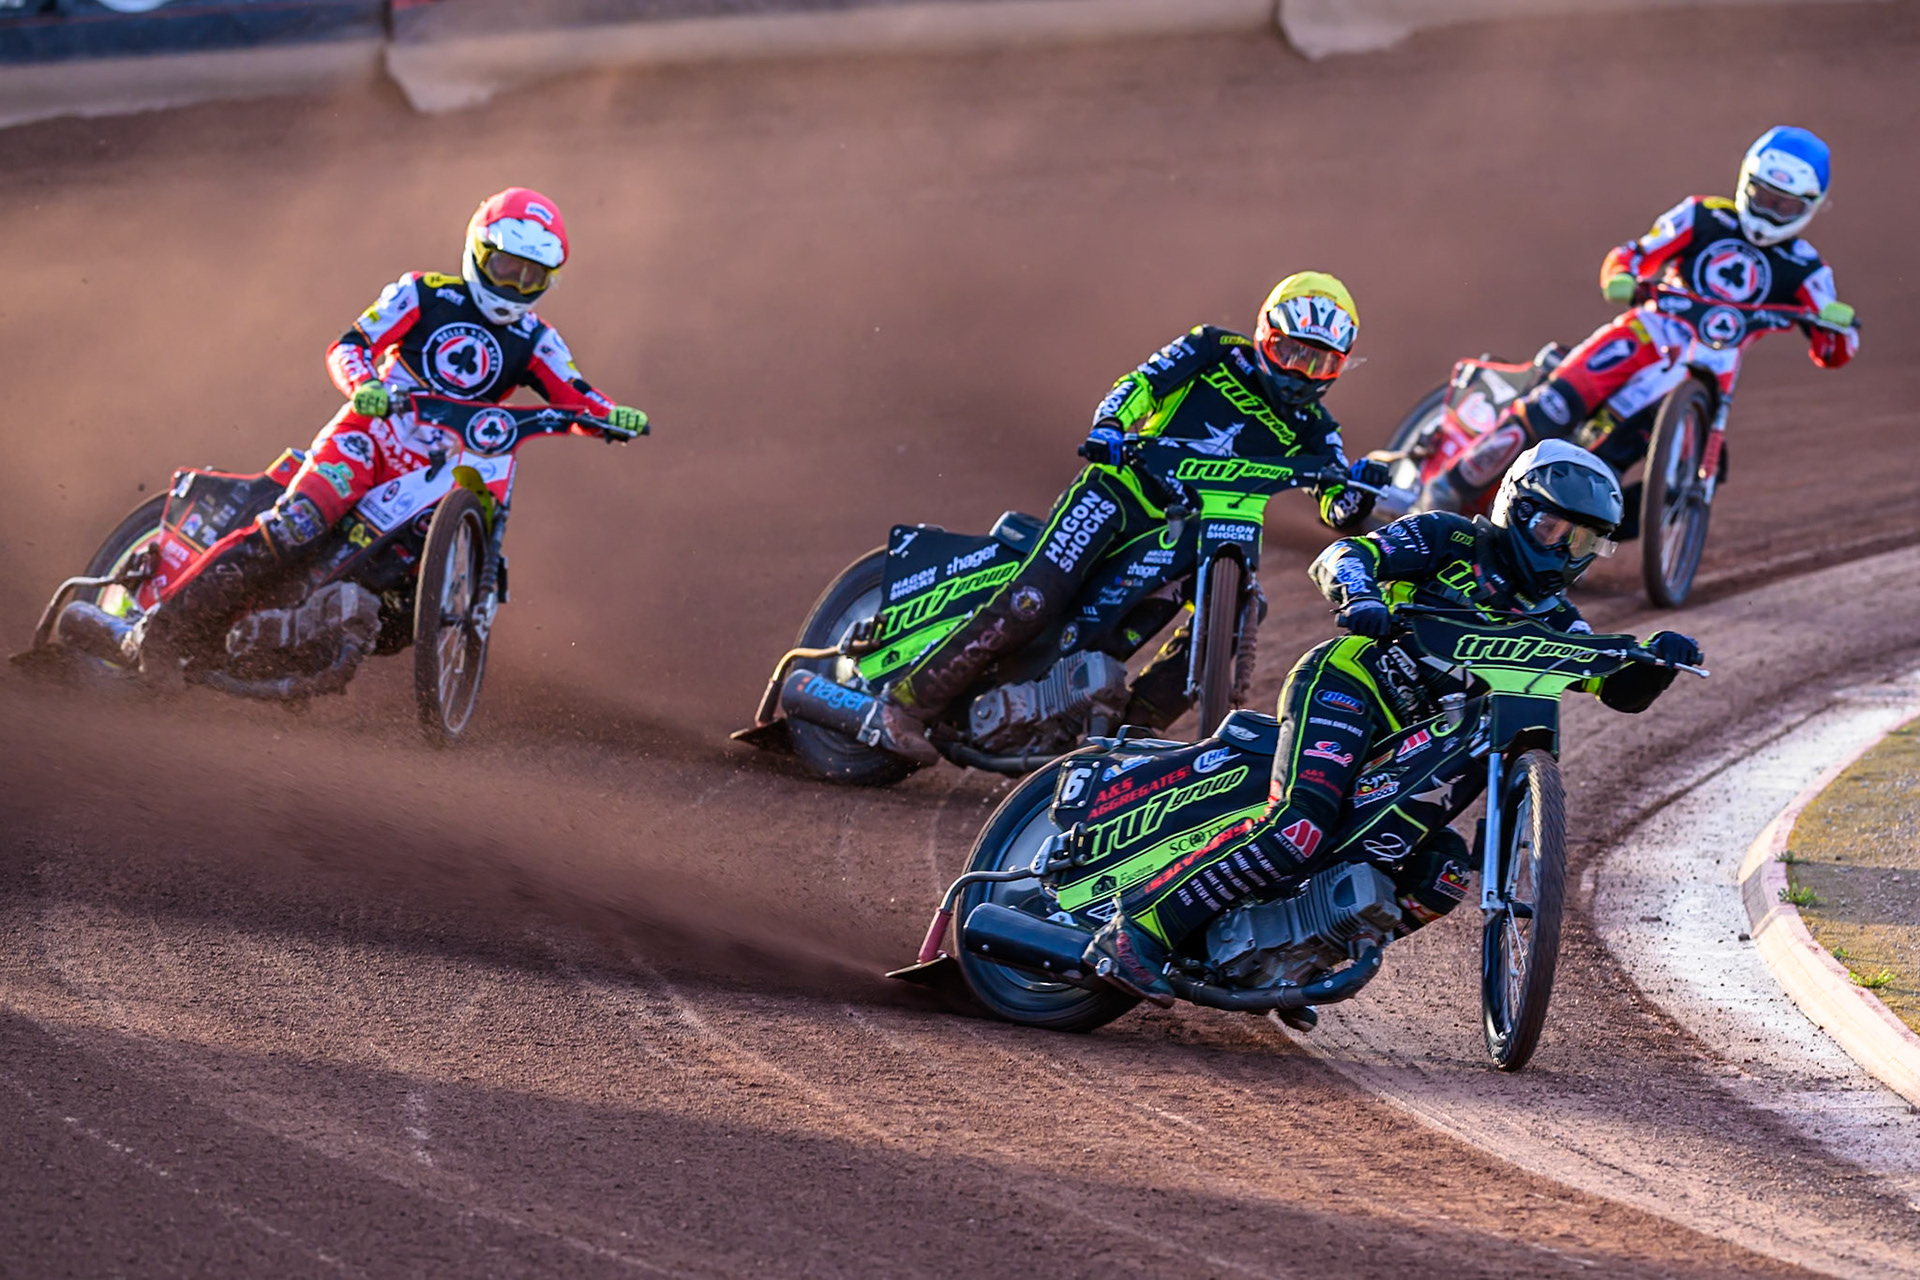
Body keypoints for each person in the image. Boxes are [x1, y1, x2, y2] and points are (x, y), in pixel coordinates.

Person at [1084, 441, 1702, 1005]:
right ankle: (1136, 928)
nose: (1565, 551)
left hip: (1413, 753)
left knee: (1444, 876)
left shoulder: (1561, 623)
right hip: (1351, 686)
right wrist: (1360, 595)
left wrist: (1658, 662)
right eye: (1553, 528)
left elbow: (1612, 686)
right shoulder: (1449, 539)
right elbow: (1347, 553)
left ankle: (1290, 959)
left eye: (1584, 542)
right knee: (1299, 826)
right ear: (1514, 507)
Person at [867, 272, 1386, 764]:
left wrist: (1361, 490)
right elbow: (1142, 383)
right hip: (1123, 490)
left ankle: (1129, 745)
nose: (1299, 372)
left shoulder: (1319, 430)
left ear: (1338, 366)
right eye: (1289, 351)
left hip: (1197, 534)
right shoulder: (1212, 349)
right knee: (1036, 599)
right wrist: (1111, 423)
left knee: (1240, 617)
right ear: (1264, 335)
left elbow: (1335, 505)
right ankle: (903, 704)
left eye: (1317, 363)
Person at [135, 188, 648, 674]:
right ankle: (159, 631)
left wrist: (612, 416)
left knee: (412, 586)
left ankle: (307, 635)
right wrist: (364, 385)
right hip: (370, 440)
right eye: (506, 267)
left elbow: (577, 395)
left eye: (530, 276)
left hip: (443, 471)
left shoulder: (538, 339)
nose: (513, 284)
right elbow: (350, 345)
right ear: (478, 250)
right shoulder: (422, 293)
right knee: (298, 523)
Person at [1423, 126, 1860, 512]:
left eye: (1783, 207)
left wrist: (1837, 327)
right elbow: (1634, 254)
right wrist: (1622, 277)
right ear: (1746, 183)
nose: (1768, 214)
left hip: (1713, 370)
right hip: (1648, 332)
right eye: (1763, 197)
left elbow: (1833, 351)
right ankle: (1452, 484)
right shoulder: (1703, 215)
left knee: (1627, 458)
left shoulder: (1806, 268)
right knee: (1556, 404)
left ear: (1810, 207)